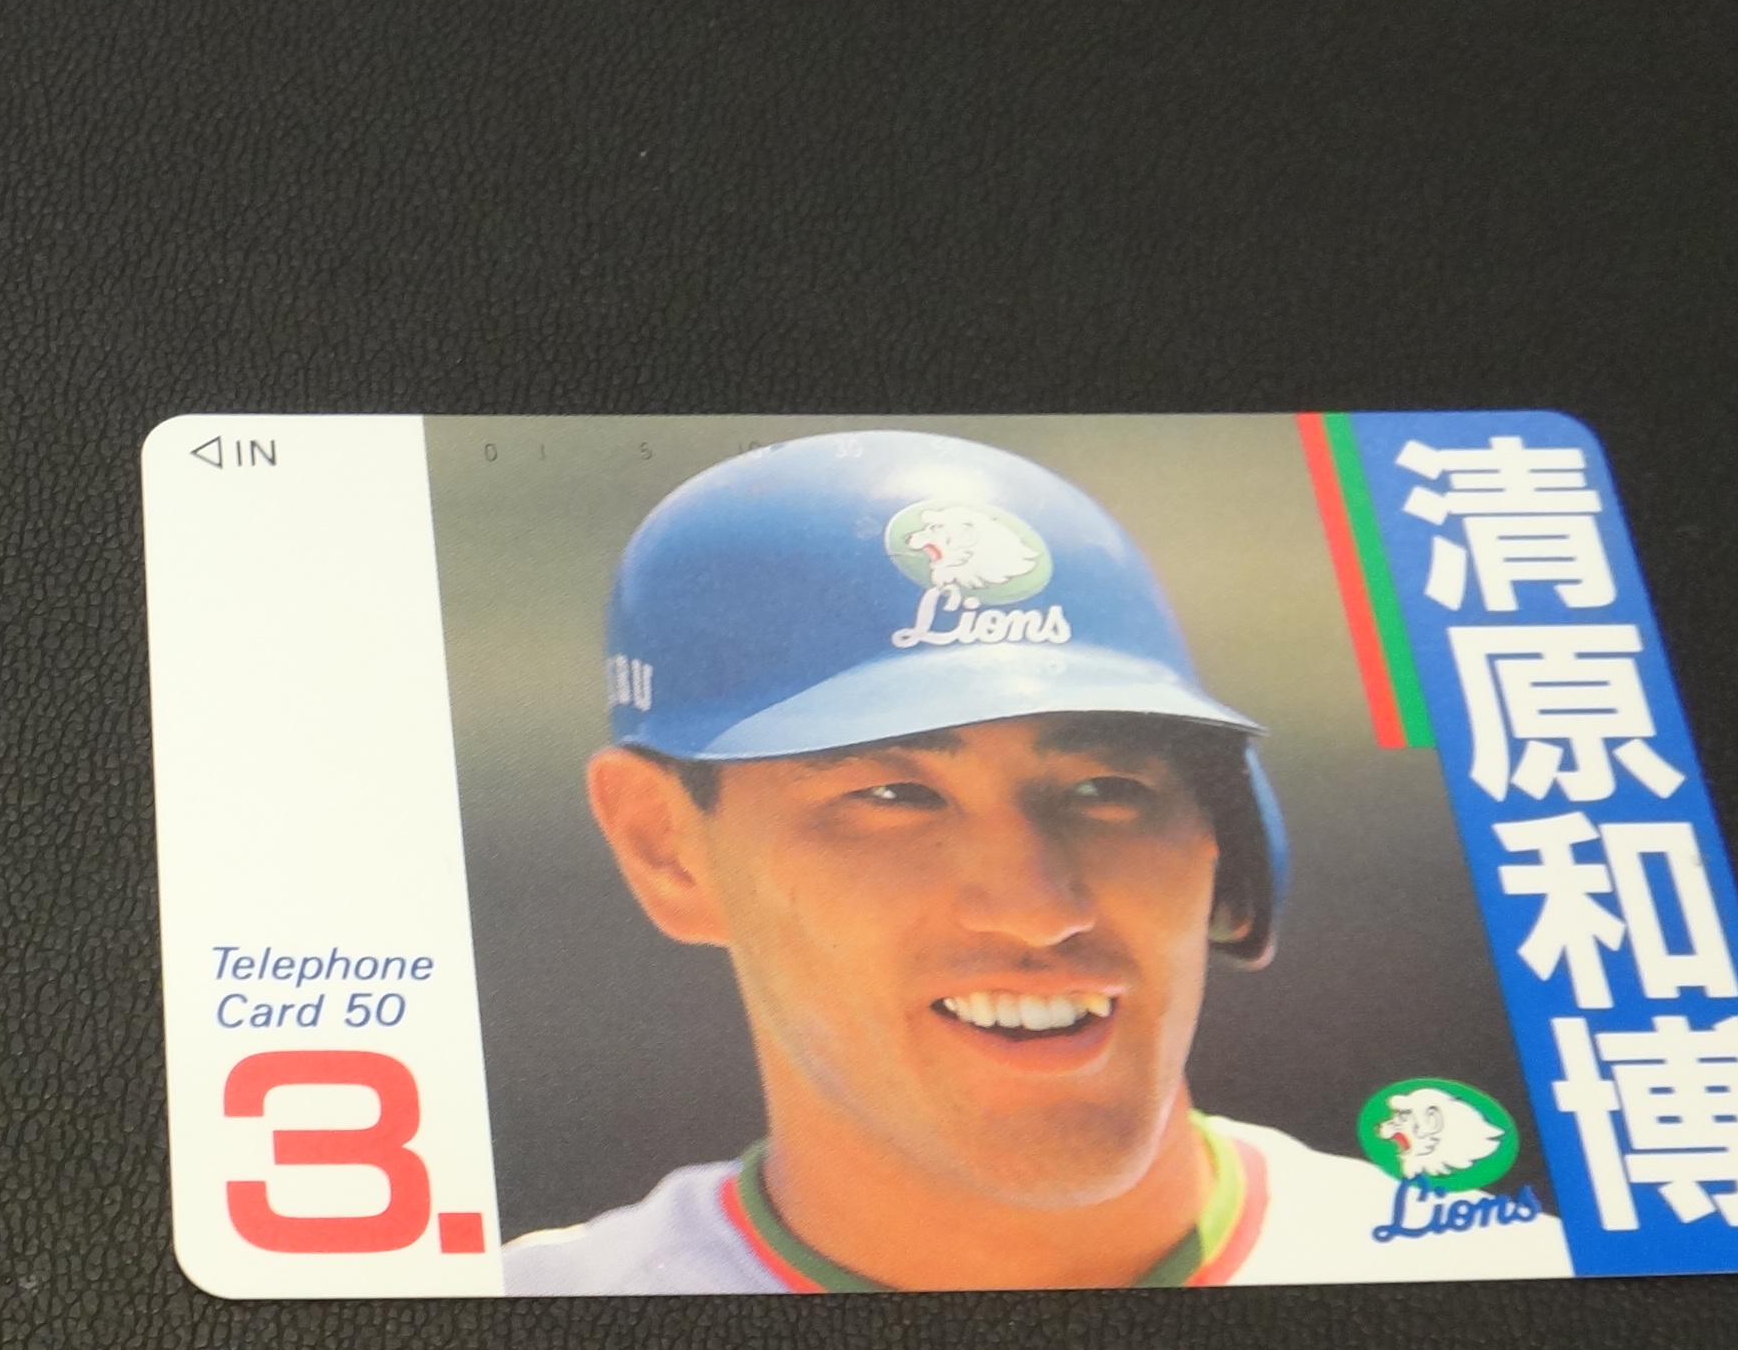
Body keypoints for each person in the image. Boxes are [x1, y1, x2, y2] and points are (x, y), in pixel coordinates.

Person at [505, 430, 1570, 1294]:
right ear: (665, 846)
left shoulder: (1517, 1288)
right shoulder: (516, 1321)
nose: (1038, 908)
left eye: (1106, 789)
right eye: (894, 796)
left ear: (1219, 832)